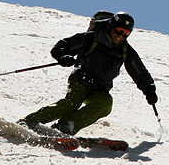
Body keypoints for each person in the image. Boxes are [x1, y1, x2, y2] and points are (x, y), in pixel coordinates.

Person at [20, 12, 157, 136]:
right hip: (81, 79)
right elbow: (62, 46)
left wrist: (149, 90)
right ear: (111, 26)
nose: (120, 36)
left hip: (100, 88)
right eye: (119, 30)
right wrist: (63, 56)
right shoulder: (91, 39)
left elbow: (140, 73)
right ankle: (29, 121)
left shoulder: (125, 50)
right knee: (72, 103)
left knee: (105, 103)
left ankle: (66, 125)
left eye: (126, 33)